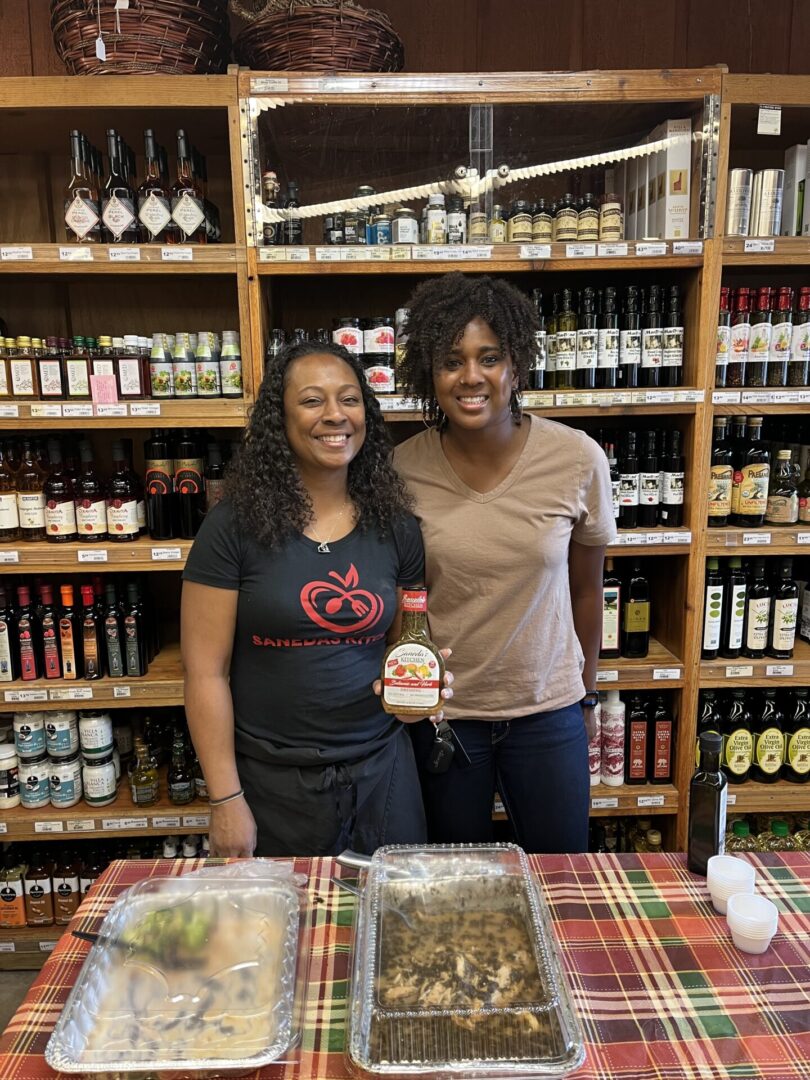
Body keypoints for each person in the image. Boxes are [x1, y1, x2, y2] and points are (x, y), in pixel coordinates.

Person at [181, 340, 451, 857]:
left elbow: (406, 645)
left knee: (389, 924)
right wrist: (226, 798)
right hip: (272, 784)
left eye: (349, 399)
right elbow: (205, 674)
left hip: (383, 774)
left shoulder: (396, 527)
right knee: (291, 932)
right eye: (312, 401)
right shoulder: (233, 527)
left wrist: (423, 688)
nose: (335, 415)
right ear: (279, 419)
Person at [393, 273, 616, 853]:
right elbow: (400, 595)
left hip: (548, 712)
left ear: (516, 369)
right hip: (445, 717)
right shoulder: (400, 469)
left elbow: (588, 591)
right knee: (450, 880)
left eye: (488, 358)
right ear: (428, 374)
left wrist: (587, 694)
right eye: (451, 361)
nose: (471, 377)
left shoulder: (576, 459)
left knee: (562, 873)